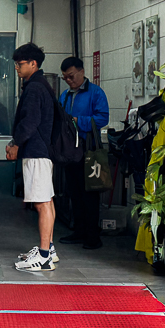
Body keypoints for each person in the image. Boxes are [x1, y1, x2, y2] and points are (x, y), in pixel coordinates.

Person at [7, 42, 58, 272]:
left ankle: (44, 255)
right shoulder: (40, 84)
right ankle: (50, 250)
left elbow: (30, 121)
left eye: (20, 64)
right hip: (42, 151)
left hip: (36, 151)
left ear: (33, 64)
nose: (17, 68)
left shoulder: (35, 88)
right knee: (47, 200)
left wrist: (16, 143)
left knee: (41, 203)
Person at [57, 56, 110, 250]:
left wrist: (79, 121)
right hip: (70, 151)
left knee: (90, 193)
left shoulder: (95, 93)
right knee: (74, 192)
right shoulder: (65, 95)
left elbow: (102, 118)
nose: (69, 81)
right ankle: (79, 230)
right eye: (65, 78)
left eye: (71, 76)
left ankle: (92, 235)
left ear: (81, 72)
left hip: (88, 150)